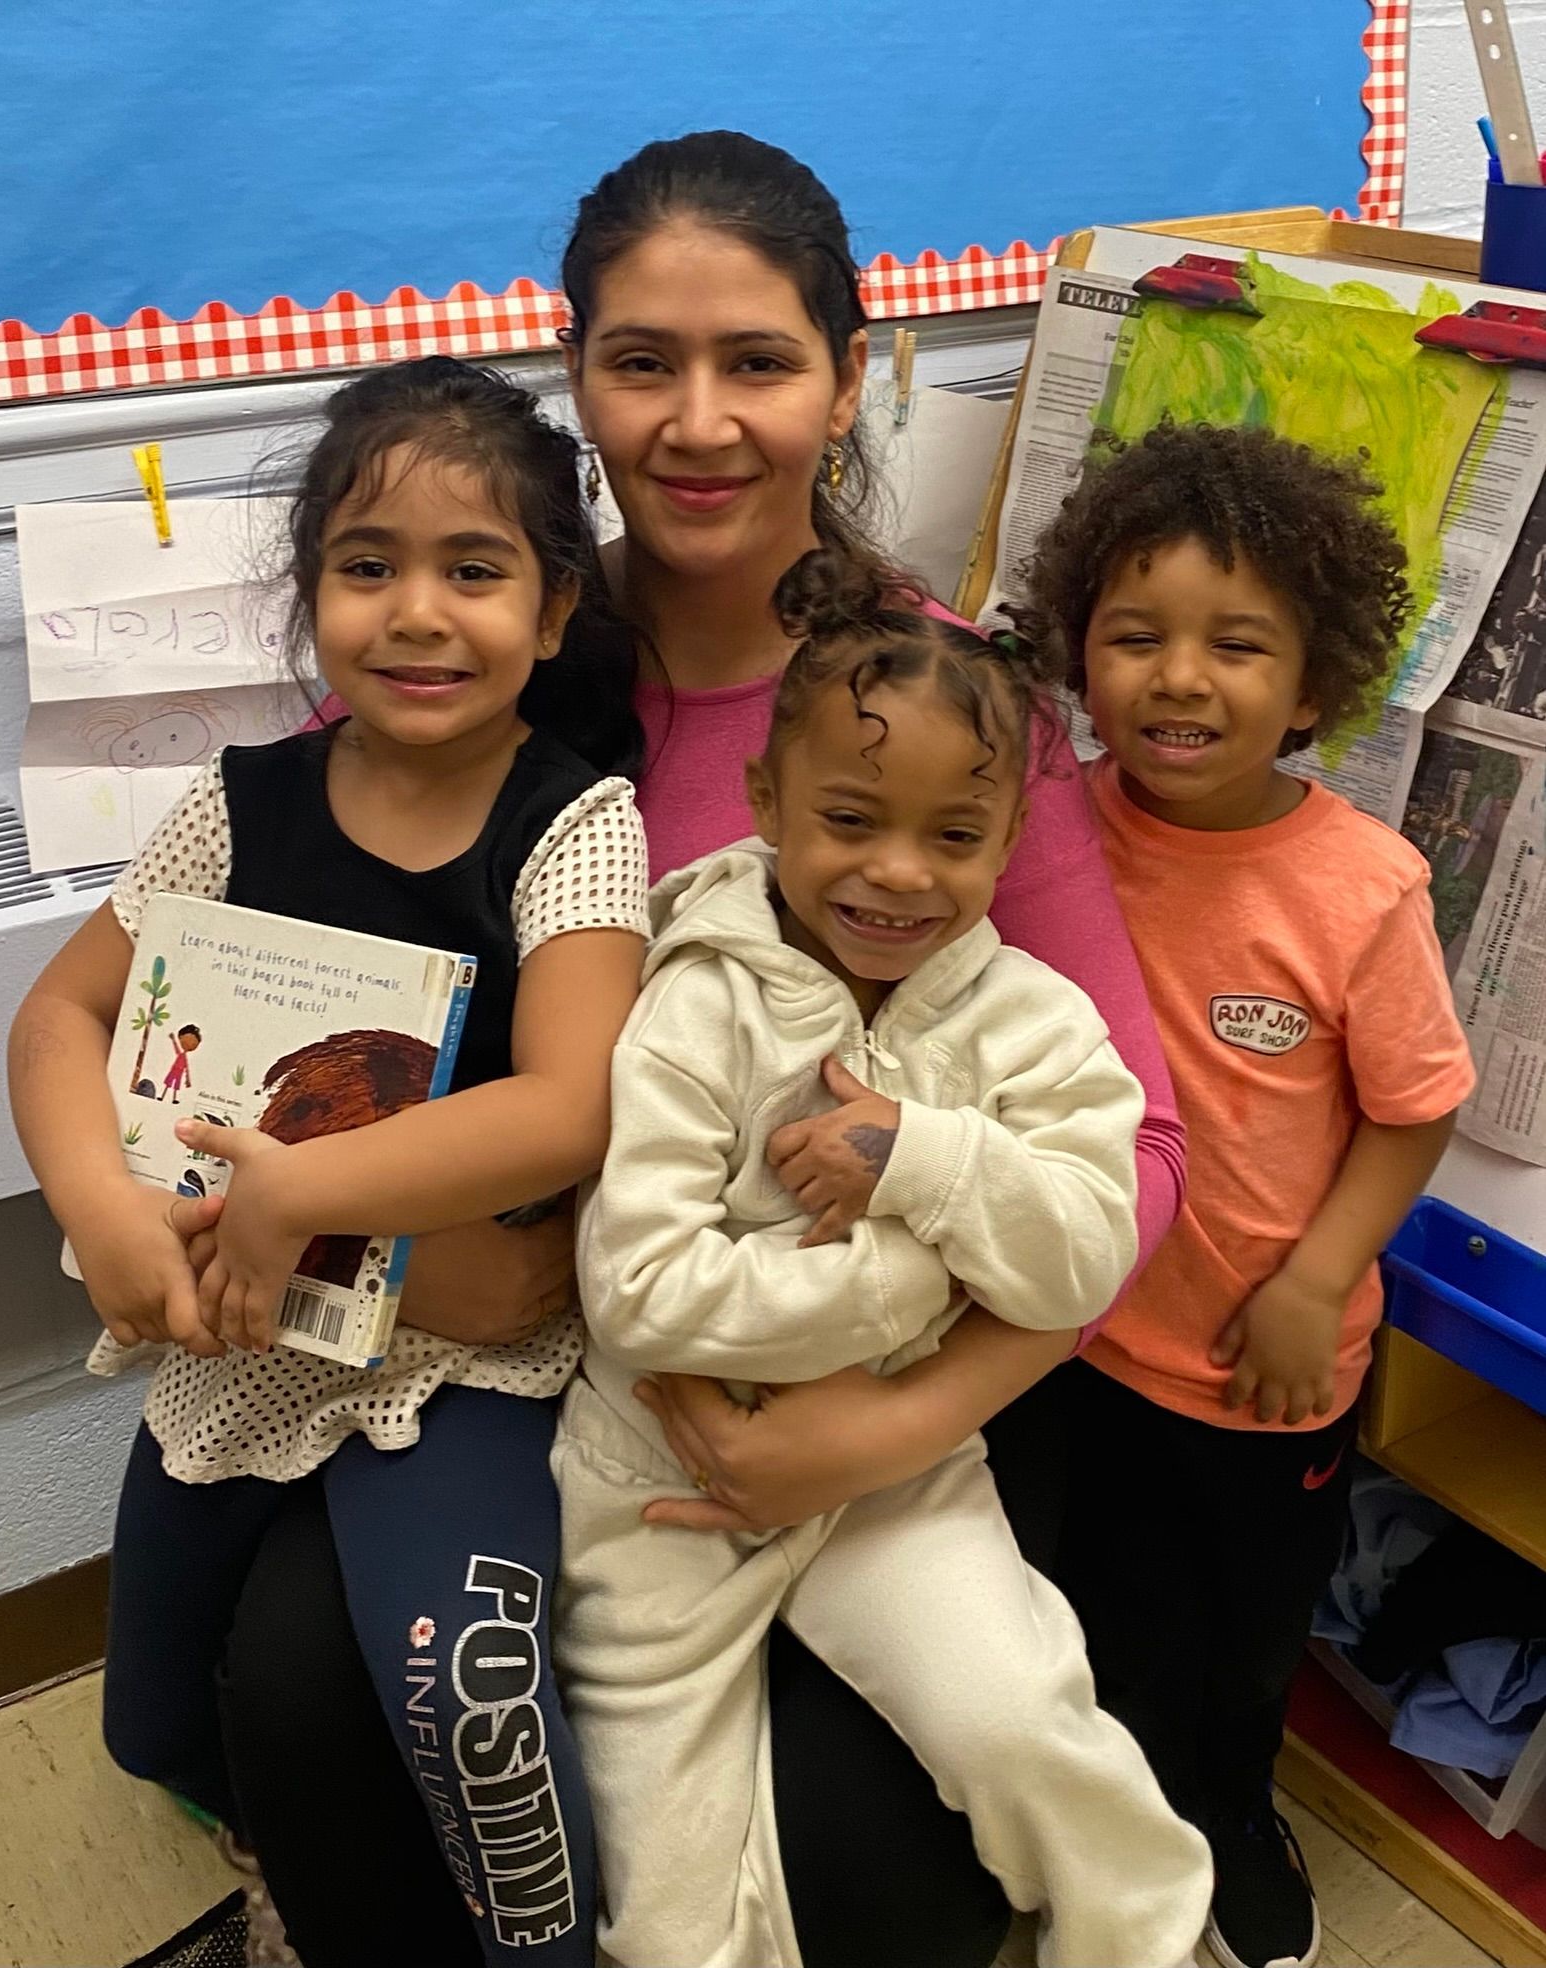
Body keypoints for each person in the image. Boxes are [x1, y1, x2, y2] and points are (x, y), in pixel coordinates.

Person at [177, 132, 1190, 1968]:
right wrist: (413, 1278)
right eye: (641, 360)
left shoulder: (944, 715)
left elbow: (1138, 1156)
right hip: (506, 1359)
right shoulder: (464, 647)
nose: (698, 420)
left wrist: (882, 1424)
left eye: (757, 362)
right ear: (575, 374)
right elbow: (276, 1058)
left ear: (851, 371)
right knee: (316, 1705)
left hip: (871, 1387)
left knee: (877, 1863)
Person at [7, 358, 651, 1968]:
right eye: (367, 567)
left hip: (461, 1362)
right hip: (243, 1345)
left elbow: (569, 1104)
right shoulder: (238, 810)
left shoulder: (578, 827)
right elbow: (58, 1017)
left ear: (556, 609)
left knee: (463, 1704)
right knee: (150, 1719)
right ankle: (290, 1856)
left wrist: (303, 1193)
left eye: (474, 568)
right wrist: (102, 1206)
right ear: (310, 601)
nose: (417, 611)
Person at [555, 548, 1212, 1968]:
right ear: (766, 802)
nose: (898, 875)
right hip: (657, 1485)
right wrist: (907, 1284)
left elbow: (1083, 1261)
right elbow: (639, 1295)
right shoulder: (691, 997)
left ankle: (1147, 1944)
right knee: (660, 1907)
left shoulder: (1027, 1019)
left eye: (954, 839)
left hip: (901, 1482)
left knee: (1024, 1724)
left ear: (1002, 841)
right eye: (850, 818)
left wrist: (921, 1156)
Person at [1022, 422, 1476, 1968]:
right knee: (1081, 1627)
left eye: (1235, 644)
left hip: (1260, 1371)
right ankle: (1102, 1840)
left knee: (1234, 1654)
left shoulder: (1361, 889)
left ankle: (1228, 1817)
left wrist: (1306, 1283)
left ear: (1311, 679)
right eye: (1134, 635)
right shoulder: (1045, 825)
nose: (1177, 678)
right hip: (1066, 1347)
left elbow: (1414, 1117)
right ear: (1079, 644)